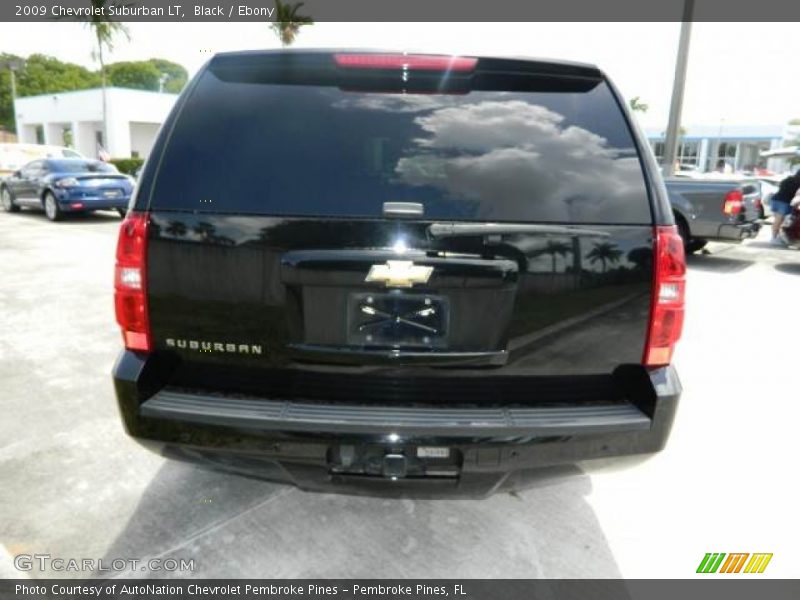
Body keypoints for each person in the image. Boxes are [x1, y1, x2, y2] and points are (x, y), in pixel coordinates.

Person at [770, 168, 800, 245]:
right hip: (783, 202)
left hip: (776, 199)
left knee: (778, 220)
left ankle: (775, 237)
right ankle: (774, 238)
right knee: (779, 220)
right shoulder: (797, 183)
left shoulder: (788, 179)